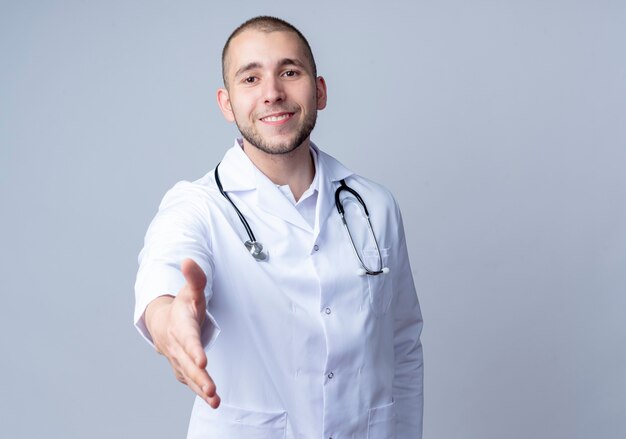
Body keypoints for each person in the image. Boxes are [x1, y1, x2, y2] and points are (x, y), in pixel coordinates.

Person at [134, 15, 424, 438]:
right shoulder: (197, 206)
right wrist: (169, 321)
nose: (272, 93)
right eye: (250, 79)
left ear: (319, 90)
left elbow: (403, 345)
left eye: (290, 72)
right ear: (227, 103)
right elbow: (162, 276)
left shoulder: (374, 206)